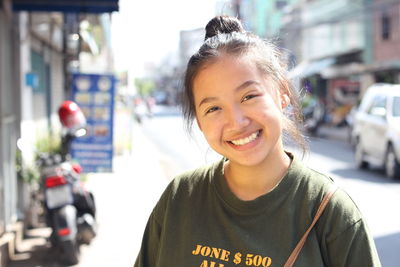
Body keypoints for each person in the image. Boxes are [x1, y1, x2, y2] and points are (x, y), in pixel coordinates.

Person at [134, 16, 381, 267]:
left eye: (249, 96)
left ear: (283, 92)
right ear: (199, 121)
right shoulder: (179, 199)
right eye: (213, 109)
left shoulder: (331, 214)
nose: (236, 122)